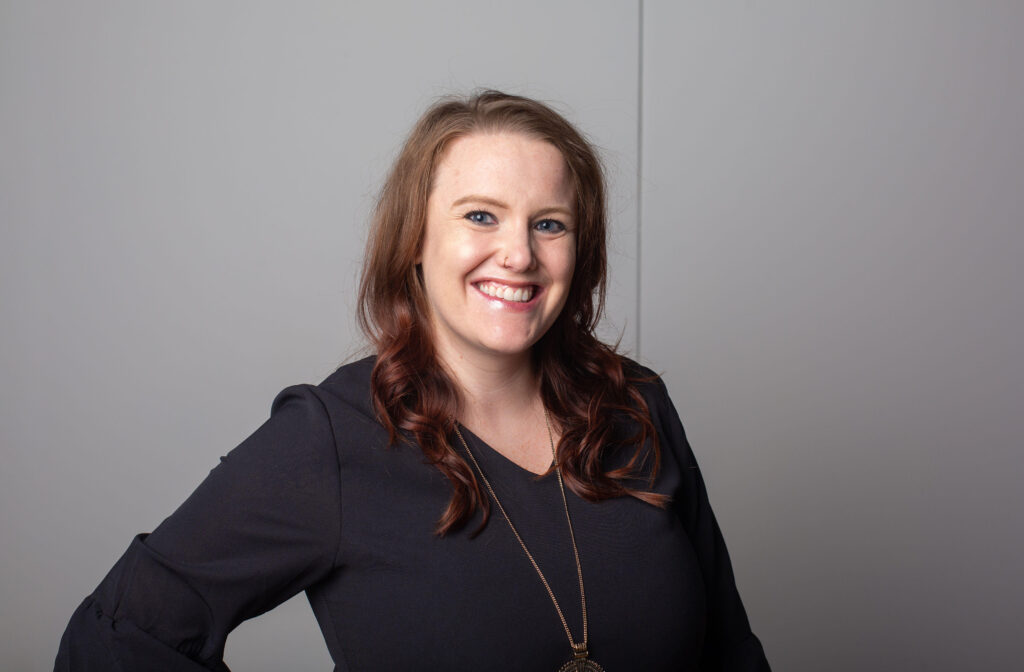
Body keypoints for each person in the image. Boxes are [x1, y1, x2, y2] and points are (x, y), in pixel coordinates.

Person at [55, 90, 770, 671]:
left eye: (549, 224)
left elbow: (731, 653)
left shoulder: (636, 408)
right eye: (481, 216)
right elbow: (116, 638)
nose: (517, 254)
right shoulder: (331, 439)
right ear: (415, 242)